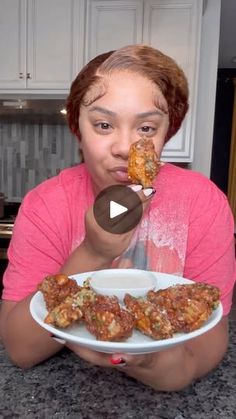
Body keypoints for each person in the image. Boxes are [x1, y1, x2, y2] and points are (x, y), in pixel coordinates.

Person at [0, 44, 235, 392]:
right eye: (104, 124)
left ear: (166, 132)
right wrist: (94, 252)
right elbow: (21, 348)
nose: (125, 147)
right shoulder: (44, 205)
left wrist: (159, 366)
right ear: (77, 128)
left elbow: (210, 340)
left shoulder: (203, 202)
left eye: (146, 129)